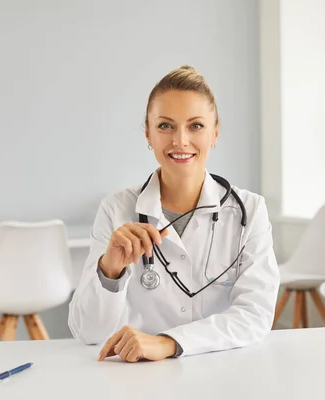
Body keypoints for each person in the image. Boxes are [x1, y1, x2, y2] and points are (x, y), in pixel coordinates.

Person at [68, 65, 280, 363]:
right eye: (165, 126)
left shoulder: (250, 211)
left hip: (223, 371)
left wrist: (169, 342)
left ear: (215, 133)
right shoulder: (117, 209)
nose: (180, 140)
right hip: (139, 378)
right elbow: (89, 333)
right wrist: (111, 270)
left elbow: (255, 316)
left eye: (195, 126)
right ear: (148, 134)